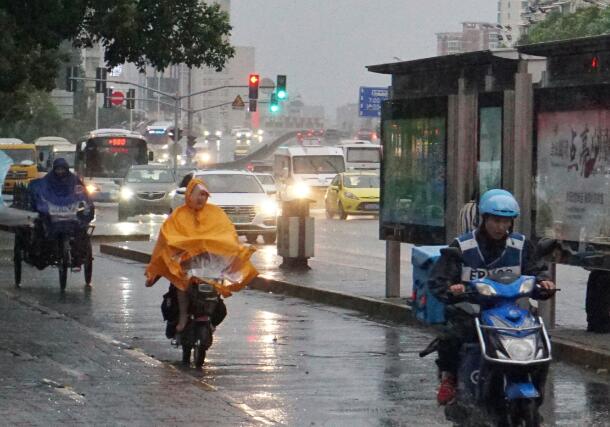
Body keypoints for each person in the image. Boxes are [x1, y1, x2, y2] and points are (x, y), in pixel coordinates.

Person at [428, 189, 556, 405]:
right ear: (484, 218)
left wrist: (544, 282)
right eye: (495, 220)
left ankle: (534, 381)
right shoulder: (462, 246)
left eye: (506, 221)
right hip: (471, 313)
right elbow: (439, 280)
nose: (500, 227)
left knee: (541, 338)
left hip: (508, 313)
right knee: (451, 336)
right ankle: (449, 378)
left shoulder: (521, 245)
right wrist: (452, 289)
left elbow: (536, 270)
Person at [145, 178, 258, 335]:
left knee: (215, 294)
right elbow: (168, 237)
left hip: (210, 266)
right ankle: (183, 316)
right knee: (181, 284)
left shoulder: (216, 214)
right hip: (187, 264)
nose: (201, 199)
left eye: (204, 195)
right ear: (189, 195)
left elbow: (227, 234)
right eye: (198, 194)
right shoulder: (179, 215)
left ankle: (210, 318)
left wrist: (228, 249)